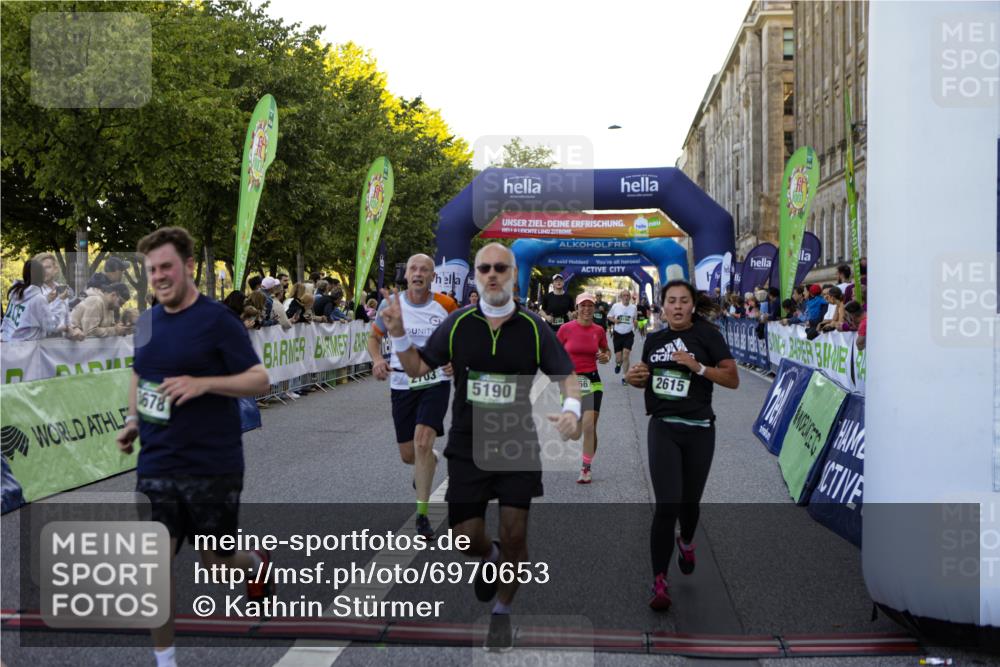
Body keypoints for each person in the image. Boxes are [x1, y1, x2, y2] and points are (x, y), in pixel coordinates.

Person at [380, 242, 580, 651]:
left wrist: (572, 410)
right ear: (475, 275)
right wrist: (398, 333)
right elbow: (417, 368)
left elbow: (566, 374)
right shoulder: (457, 323)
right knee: (465, 536)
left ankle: (502, 613)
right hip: (469, 442)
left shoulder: (533, 327)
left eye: (500, 268)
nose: (492, 274)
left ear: (513, 276)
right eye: (484, 268)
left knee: (515, 534)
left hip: (516, 442)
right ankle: (490, 557)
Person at [116, 227, 271, 667]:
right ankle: (165, 660)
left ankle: (254, 563)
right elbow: (139, 373)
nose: (159, 277)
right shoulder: (147, 322)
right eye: (152, 270)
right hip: (157, 462)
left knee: (217, 561)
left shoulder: (217, 321)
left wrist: (203, 383)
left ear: (187, 267)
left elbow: (260, 380)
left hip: (211, 463)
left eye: (166, 267)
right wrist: (132, 421)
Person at [624, 280, 739, 611]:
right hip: (664, 427)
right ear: (663, 307)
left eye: (683, 301)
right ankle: (659, 579)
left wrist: (697, 367)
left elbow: (732, 379)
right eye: (671, 301)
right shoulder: (654, 340)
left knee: (689, 505)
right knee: (667, 505)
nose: (677, 306)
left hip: (699, 430)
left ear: (692, 305)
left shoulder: (708, 336)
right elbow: (647, 379)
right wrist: (634, 378)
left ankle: (686, 540)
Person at [367, 254, 457, 539]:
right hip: (402, 383)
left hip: (435, 381)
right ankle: (429, 459)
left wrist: (454, 360)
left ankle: (422, 516)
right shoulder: (391, 305)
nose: (418, 273)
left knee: (422, 440)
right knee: (410, 455)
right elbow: (373, 338)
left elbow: (458, 339)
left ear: (433, 277)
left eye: (424, 270)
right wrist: (377, 359)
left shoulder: (446, 305)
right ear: (406, 275)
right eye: (413, 269)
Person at [557, 293, 611, 483]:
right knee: (574, 433)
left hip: (592, 380)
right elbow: (554, 352)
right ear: (577, 308)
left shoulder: (599, 330)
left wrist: (606, 356)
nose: (587, 309)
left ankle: (586, 468)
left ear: (594, 308)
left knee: (590, 426)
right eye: (583, 305)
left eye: (590, 306)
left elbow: (606, 350)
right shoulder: (565, 329)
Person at [1, 259, 61, 341]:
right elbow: (51, 327)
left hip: (7, 342)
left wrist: (47, 299)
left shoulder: (16, 291)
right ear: (41, 276)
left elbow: (27, 309)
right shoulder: (38, 299)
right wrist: (59, 300)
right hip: (25, 346)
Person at [608, 289, 637, 385]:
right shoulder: (616, 306)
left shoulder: (633, 307)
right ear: (621, 297)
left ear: (630, 297)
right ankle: (618, 364)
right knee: (619, 358)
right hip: (618, 334)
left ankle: (625, 377)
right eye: (624, 295)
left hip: (628, 334)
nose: (626, 297)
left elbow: (635, 319)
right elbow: (609, 316)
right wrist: (614, 320)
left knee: (626, 355)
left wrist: (636, 323)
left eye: (628, 295)